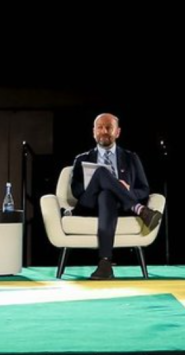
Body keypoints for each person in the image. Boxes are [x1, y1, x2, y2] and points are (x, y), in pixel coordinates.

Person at [68, 113, 163, 280]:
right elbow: (76, 191)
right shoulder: (81, 159)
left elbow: (144, 189)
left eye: (109, 128)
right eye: (100, 127)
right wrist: (100, 184)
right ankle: (140, 209)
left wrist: (125, 191)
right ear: (93, 131)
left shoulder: (131, 158)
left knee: (107, 196)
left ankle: (105, 264)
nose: (104, 131)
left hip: (118, 207)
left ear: (117, 132)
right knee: (101, 172)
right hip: (89, 204)